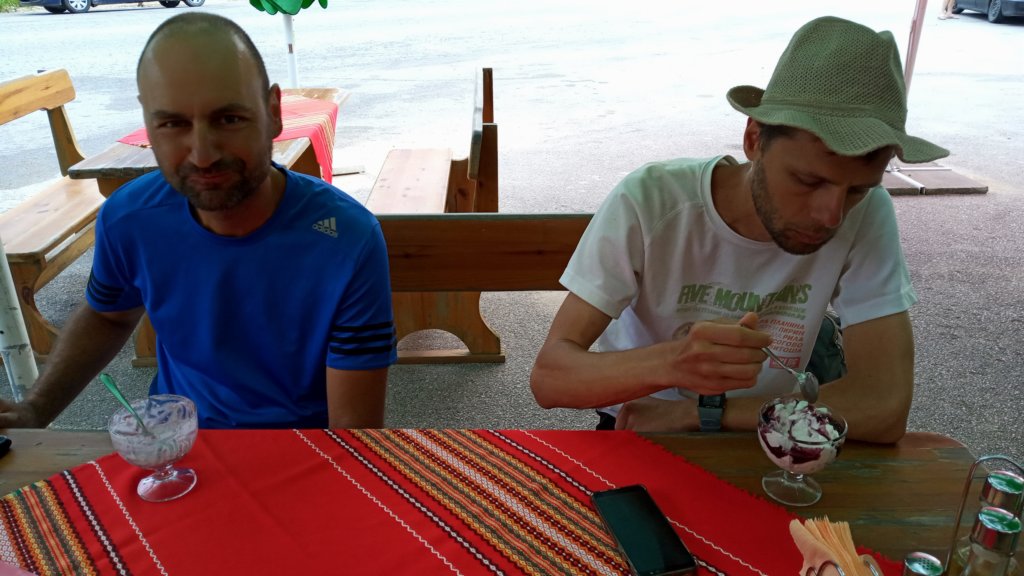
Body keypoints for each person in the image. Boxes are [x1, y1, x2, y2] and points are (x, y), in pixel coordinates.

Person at [529, 16, 949, 443]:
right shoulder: (653, 200)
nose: (832, 216)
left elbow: (885, 404)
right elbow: (551, 378)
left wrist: (705, 413)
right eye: (807, 181)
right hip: (642, 427)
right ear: (753, 139)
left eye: (858, 189)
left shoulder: (868, 211)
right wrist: (672, 363)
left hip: (765, 429)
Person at [0, 13, 396, 430]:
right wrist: (36, 408)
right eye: (173, 123)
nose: (203, 155)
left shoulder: (346, 240)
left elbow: (353, 430)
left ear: (274, 113)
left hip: (302, 446)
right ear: (149, 125)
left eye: (229, 119)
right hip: (180, 441)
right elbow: (107, 315)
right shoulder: (129, 218)